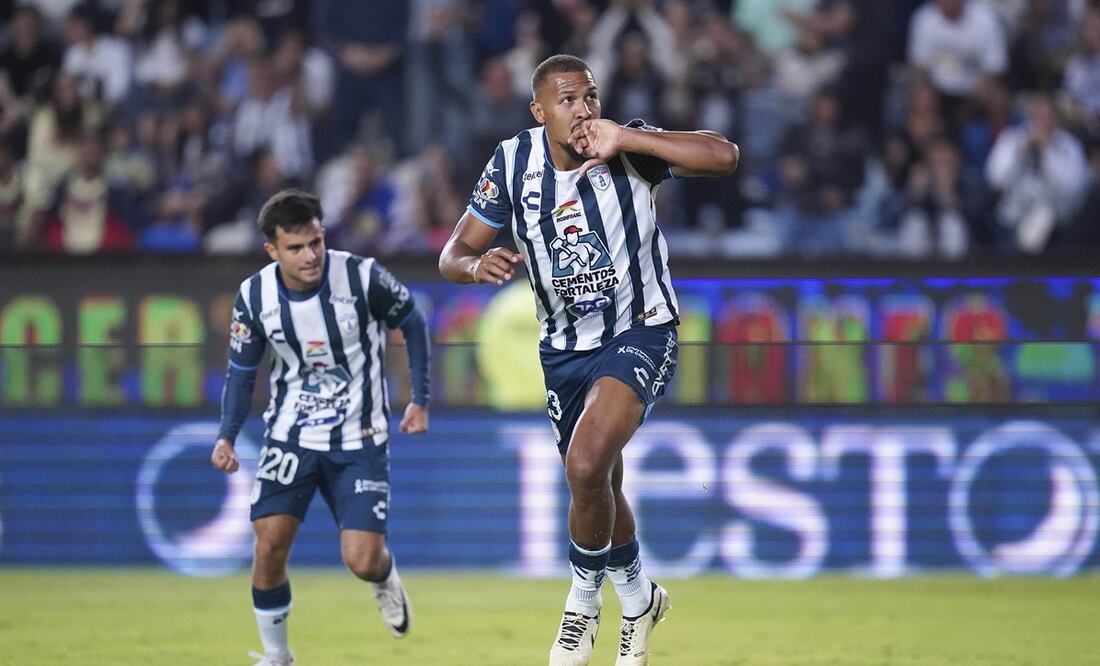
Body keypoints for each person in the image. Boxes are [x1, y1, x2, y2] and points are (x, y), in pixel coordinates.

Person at [439, 54, 738, 666]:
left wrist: (627, 134)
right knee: (598, 482)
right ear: (539, 111)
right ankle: (639, 598)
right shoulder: (512, 163)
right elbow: (453, 251)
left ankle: (581, 606)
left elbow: (724, 156)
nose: (583, 111)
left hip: (641, 329)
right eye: (569, 100)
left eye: (591, 98)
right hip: (563, 351)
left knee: (585, 462)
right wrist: (474, 266)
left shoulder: (629, 148)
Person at [210, 189, 431, 666]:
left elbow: (412, 323)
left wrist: (420, 398)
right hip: (290, 434)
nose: (310, 255)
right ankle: (277, 656)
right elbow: (242, 372)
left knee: (361, 560)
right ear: (272, 250)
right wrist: (227, 435)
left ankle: (384, 577)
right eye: (296, 247)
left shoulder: (362, 277)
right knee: (268, 545)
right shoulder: (255, 297)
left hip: (359, 439)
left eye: (316, 242)